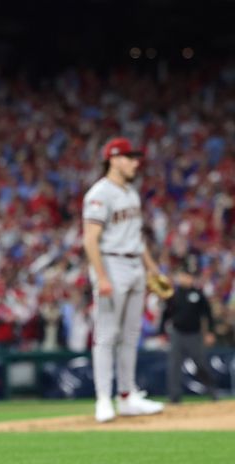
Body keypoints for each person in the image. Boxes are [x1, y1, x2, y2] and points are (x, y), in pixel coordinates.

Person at [82, 137, 165, 423]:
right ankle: (104, 399)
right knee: (106, 336)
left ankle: (127, 396)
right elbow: (90, 240)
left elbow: (137, 238)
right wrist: (102, 277)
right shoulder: (99, 193)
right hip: (111, 263)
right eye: (129, 157)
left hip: (134, 264)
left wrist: (153, 269)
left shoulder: (131, 192)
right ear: (114, 159)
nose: (135, 162)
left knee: (131, 335)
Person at [159, 255, 218, 403]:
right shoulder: (173, 295)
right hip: (177, 334)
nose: (187, 278)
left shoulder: (198, 294)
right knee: (174, 366)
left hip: (194, 335)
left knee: (200, 364)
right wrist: (161, 332)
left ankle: (212, 391)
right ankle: (174, 397)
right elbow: (165, 315)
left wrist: (210, 331)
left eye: (189, 276)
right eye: (184, 276)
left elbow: (208, 314)